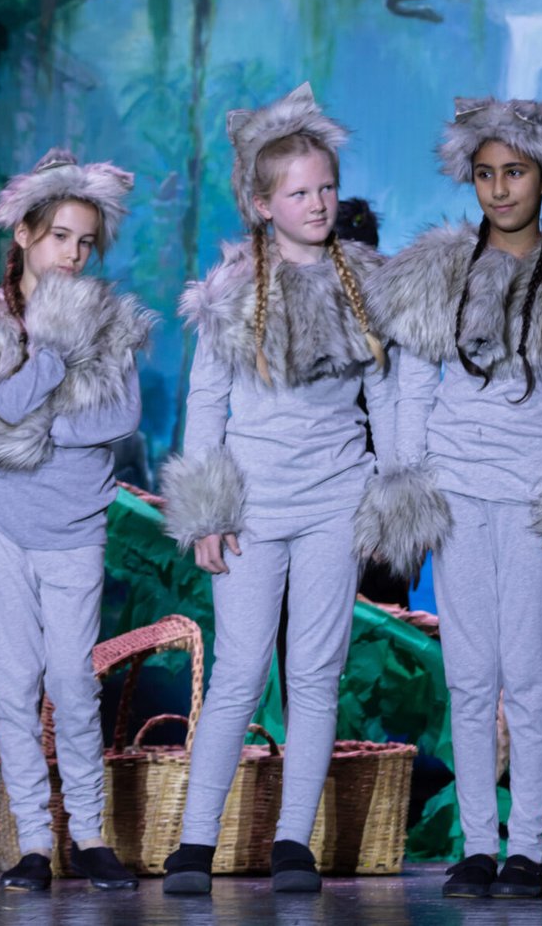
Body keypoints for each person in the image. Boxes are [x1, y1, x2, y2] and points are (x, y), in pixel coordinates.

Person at [360, 96, 542, 899]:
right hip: (458, 491)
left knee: (529, 677)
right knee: (469, 676)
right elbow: (411, 383)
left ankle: (526, 847)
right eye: (486, 173)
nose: (500, 189)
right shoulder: (440, 266)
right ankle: (476, 844)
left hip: (533, 495)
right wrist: (410, 483)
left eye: (516, 172)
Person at [159, 83, 394, 895]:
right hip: (254, 505)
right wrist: (208, 509)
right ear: (263, 205)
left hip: (336, 497)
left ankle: (295, 839)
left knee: (316, 673)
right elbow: (206, 402)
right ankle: (195, 840)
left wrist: (391, 492)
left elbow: (386, 396)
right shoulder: (230, 289)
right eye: (299, 193)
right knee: (239, 670)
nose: (318, 203)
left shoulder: (365, 284)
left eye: (327, 187)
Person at [0, 149, 153, 891]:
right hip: (4, 521)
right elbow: (6, 403)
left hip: (77, 522)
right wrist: (57, 348)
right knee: (13, 685)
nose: (73, 253)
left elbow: (120, 418)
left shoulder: (110, 316)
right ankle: (35, 842)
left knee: (72, 681)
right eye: (61, 235)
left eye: (85, 241)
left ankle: (90, 836)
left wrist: (38, 427)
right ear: (25, 234)